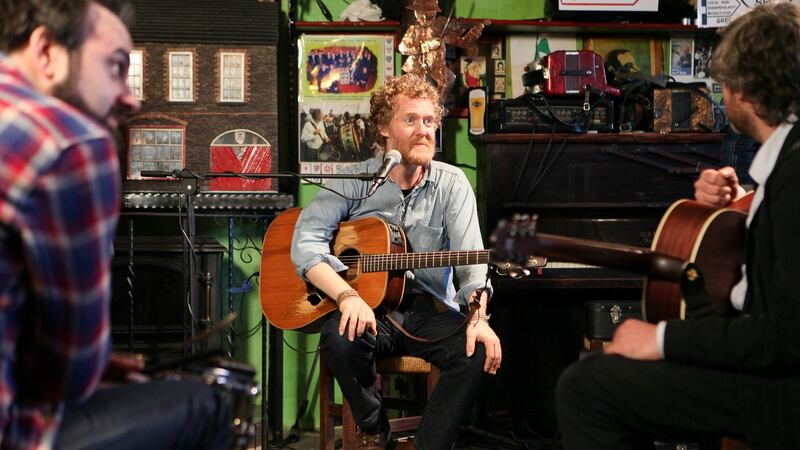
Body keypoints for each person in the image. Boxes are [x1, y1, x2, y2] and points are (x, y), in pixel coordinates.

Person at [556, 3, 800, 449]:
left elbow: (786, 335)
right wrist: (737, 200)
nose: (722, 94)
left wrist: (664, 338)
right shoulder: (787, 158)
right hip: (751, 344)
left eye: (724, 83)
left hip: (779, 390)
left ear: (745, 89)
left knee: (586, 388)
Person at [0, 0, 232, 448]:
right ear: (46, 51)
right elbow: (70, 374)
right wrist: (92, 365)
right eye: (115, 67)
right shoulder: (70, 142)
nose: (132, 97)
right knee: (204, 403)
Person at [291, 73, 501, 450]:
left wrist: (479, 318)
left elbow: (473, 268)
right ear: (384, 128)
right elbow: (306, 244)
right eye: (410, 120)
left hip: (429, 312)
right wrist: (346, 295)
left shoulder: (453, 184)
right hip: (369, 310)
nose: (423, 130)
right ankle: (375, 431)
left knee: (478, 349)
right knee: (340, 337)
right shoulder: (355, 180)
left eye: (429, 121)